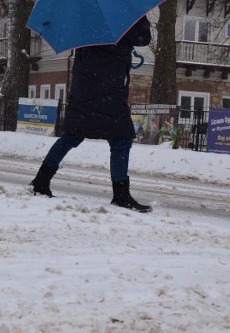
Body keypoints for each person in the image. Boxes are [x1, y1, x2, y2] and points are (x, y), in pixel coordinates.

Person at [29, 15, 153, 213]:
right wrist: (141, 17)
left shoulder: (83, 16)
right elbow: (143, 38)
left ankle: (41, 181)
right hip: (110, 89)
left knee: (71, 135)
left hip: (84, 87)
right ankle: (121, 194)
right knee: (121, 139)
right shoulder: (122, 13)